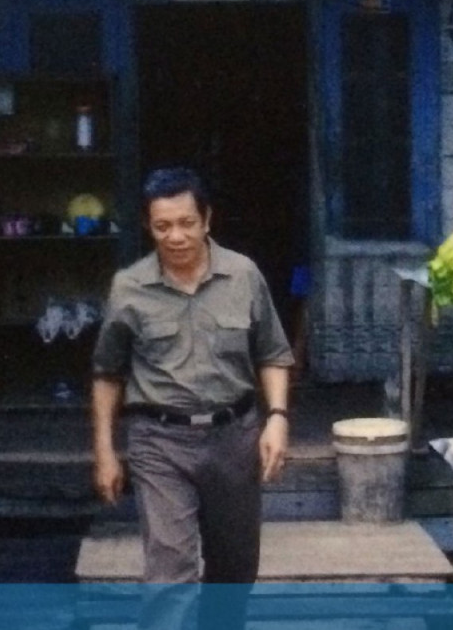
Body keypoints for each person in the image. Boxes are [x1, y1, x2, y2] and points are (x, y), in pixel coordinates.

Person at [90, 167, 294, 628]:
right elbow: (107, 373)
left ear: (207, 219)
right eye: (163, 226)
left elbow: (273, 353)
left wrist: (277, 417)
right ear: (149, 226)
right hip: (159, 443)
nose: (176, 236)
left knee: (235, 568)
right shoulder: (129, 287)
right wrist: (104, 451)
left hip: (234, 439)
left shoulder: (243, 275)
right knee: (170, 572)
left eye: (186, 223)